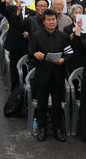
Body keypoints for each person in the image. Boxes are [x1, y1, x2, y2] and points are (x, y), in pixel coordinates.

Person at [29, 9, 72, 142]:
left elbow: (69, 53)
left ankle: (57, 129)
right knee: (41, 104)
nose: (51, 22)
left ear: (56, 20)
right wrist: (36, 55)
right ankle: (42, 129)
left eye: (53, 19)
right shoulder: (36, 36)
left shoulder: (63, 36)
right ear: (44, 21)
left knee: (57, 104)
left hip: (58, 75)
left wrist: (63, 60)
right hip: (42, 74)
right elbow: (30, 52)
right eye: (48, 20)